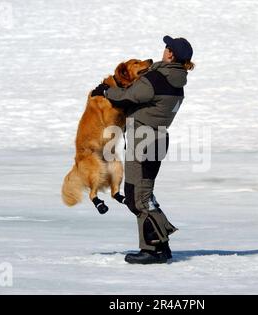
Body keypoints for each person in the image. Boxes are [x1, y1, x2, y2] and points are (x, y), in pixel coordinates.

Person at [91, 35, 195, 264]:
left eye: (167, 47)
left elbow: (128, 97)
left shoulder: (156, 79)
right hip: (155, 141)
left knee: (138, 198)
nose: (164, 49)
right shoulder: (177, 80)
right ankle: (161, 245)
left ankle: (152, 250)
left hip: (143, 143)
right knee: (139, 195)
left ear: (171, 54)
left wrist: (106, 92)